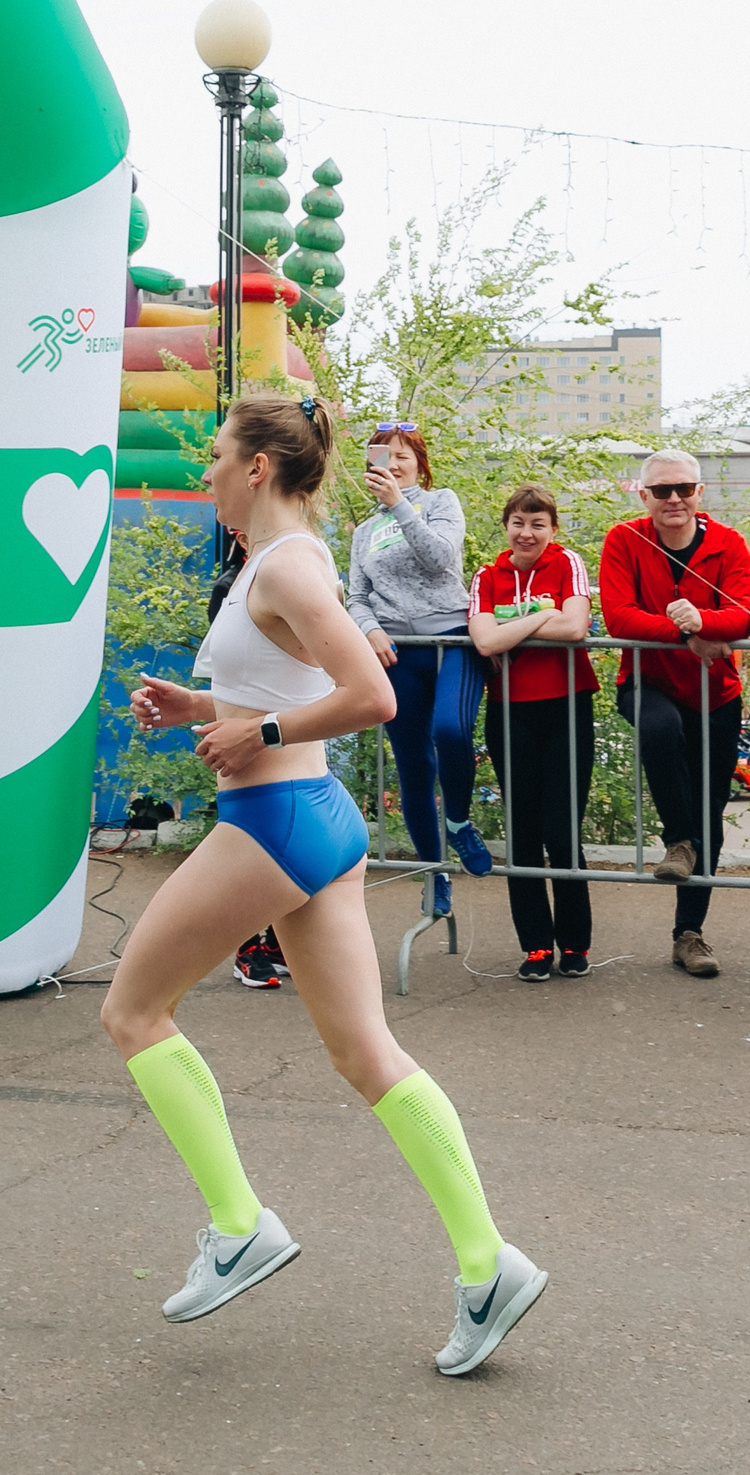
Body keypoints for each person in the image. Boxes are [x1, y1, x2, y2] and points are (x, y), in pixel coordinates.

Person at [112, 394, 547, 1377]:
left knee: (133, 1013)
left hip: (273, 824)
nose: (208, 473)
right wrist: (201, 707)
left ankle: (237, 1226)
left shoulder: (293, 563)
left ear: (259, 466)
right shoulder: (277, 563)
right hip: (313, 826)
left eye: (218, 456)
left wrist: (255, 734)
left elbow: (373, 696)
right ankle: (487, 1264)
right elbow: (290, 682)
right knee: (365, 1054)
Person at [597, 448, 750, 978]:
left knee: (710, 810)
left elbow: (744, 612)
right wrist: (687, 634)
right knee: (659, 727)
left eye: (683, 489)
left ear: (699, 493)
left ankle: (688, 934)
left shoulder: (728, 543)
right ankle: (676, 840)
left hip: (716, 693)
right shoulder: (624, 539)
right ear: (642, 495)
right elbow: (618, 614)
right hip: (646, 682)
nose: (674, 500)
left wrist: (706, 621)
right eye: (662, 491)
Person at [345, 421, 490, 914]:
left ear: (419, 464)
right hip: (396, 650)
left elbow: (441, 558)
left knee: (450, 731)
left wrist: (400, 506)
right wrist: (369, 629)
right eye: (384, 455)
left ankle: (459, 823)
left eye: (404, 455)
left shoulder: (440, 502)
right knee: (412, 763)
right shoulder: (364, 532)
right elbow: (357, 596)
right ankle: (434, 876)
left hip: (451, 639)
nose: (394, 462)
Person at [467, 484, 599, 982]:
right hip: (509, 711)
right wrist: (546, 614)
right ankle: (536, 946)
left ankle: (576, 943)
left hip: (566, 706)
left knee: (561, 828)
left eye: (538, 524)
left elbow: (576, 628)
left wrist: (523, 623)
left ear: (553, 529)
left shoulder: (569, 564)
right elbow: (484, 641)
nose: (527, 533)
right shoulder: (488, 575)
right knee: (522, 830)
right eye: (519, 523)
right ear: (506, 527)